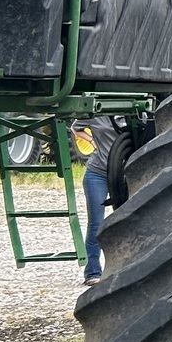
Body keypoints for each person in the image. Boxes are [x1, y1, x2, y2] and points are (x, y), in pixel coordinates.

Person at [75, 119, 116, 285]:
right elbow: (75, 127)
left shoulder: (136, 112)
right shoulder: (96, 112)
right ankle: (93, 272)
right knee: (96, 223)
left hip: (123, 171)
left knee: (129, 218)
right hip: (97, 173)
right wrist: (92, 141)